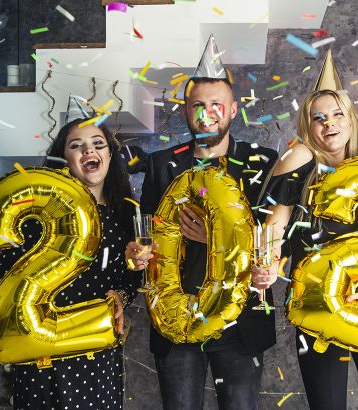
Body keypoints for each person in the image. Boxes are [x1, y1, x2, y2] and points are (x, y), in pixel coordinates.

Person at [125, 35, 278, 410]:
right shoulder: (162, 164)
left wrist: (217, 238)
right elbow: (146, 232)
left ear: (232, 110)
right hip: (176, 321)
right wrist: (135, 254)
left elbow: (275, 234)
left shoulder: (261, 162)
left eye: (215, 105)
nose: (206, 114)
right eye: (197, 105)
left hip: (241, 323)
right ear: (185, 110)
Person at [251, 50, 358, 410]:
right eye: (318, 118)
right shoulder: (300, 163)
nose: (328, 123)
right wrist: (266, 264)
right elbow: (274, 226)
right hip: (316, 303)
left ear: (350, 120)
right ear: (308, 127)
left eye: (336, 114)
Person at [0, 118, 141, 409]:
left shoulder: (125, 217)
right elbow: (4, 274)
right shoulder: (42, 218)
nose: (89, 150)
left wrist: (121, 296)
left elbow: (130, 281)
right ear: (64, 160)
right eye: (76, 146)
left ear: (109, 154)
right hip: (42, 360)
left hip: (95, 357)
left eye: (98, 144)